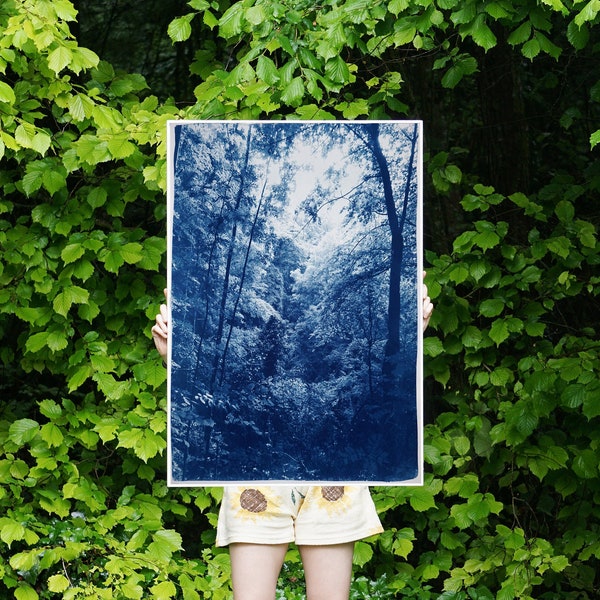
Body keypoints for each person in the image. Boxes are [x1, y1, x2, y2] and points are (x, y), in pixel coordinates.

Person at [151, 273, 434, 600]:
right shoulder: (250, 332)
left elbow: (377, 392)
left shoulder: (339, 348)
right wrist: (179, 362)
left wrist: (408, 337)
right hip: (254, 477)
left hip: (335, 478)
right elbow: (222, 393)